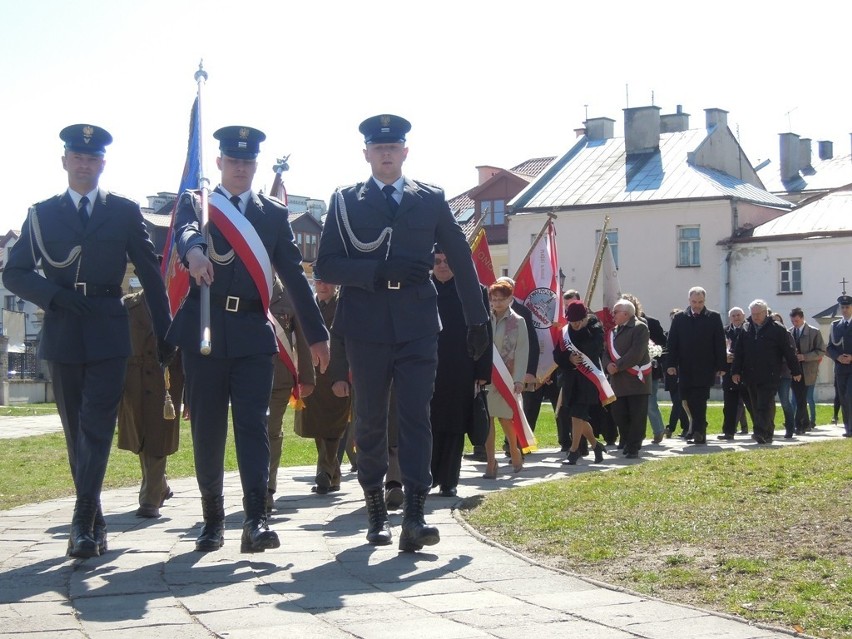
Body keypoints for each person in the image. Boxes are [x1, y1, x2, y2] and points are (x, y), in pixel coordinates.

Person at [315, 114, 489, 552]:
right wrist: (378, 271)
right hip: (367, 326)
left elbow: (460, 257)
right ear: (367, 154)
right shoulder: (344, 201)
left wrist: (476, 319)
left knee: (417, 417)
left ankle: (414, 514)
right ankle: (375, 506)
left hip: (417, 324)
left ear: (405, 152)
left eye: (394, 147)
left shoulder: (429, 198)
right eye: (379, 148)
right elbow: (327, 266)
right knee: (371, 420)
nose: (386, 154)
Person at [4, 124, 173, 558]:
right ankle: (94, 520)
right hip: (62, 330)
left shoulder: (122, 211)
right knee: (75, 431)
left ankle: (80, 525)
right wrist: (53, 295)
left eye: (92, 158)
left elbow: (151, 271)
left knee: (97, 427)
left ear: (102, 164)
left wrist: (166, 328)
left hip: (107, 330)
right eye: (76, 157)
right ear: (65, 162)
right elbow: (14, 272)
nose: (84, 163)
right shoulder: (41, 214)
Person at [167, 125, 330, 554]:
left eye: (247, 162)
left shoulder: (272, 214)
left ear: (255, 166)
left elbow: (294, 274)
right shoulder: (198, 204)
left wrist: (316, 335)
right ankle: (212, 520)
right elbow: (185, 231)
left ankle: (256, 519)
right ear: (220, 163)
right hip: (205, 330)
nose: (240, 168)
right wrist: (195, 250)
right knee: (207, 429)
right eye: (232, 160)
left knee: (254, 428)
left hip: (254, 333)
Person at [117, 288, 184, 519]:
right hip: (133, 380)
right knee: (142, 438)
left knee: (158, 437)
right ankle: (160, 486)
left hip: (165, 381)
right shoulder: (127, 305)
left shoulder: (178, 302)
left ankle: (149, 500)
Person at [430, 250, 492, 496]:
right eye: (437, 262)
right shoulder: (422, 288)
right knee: (429, 424)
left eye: (448, 261)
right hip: (427, 366)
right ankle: (428, 477)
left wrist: (482, 371)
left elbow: (484, 331)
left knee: (455, 425)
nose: (442, 266)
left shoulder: (474, 290)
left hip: (462, 366)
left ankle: (449, 481)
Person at [294, 271, 351, 494]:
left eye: (326, 281)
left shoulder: (344, 306)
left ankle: (324, 472)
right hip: (314, 376)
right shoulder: (310, 307)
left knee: (334, 425)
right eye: (318, 281)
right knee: (319, 425)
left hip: (338, 374)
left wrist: (346, 375)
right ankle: (332, 475)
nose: (322, 285)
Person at [266, 277, 316, 512]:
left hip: (279, 376)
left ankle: (267, 488)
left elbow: (303, 338)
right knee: (251, 432)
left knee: (271, 430)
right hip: (245, 375)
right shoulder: (245, 285)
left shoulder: (288, 293)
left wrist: (307, 376)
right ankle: (254, 485)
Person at [731, 300, 801, 444]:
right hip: (750, 374)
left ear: (765, 313)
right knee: (756, 405)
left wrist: (795, 370)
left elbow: (788, 351)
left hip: (770, 374)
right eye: (753, 314)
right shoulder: (746, 328)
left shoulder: (777, 329)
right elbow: (739, 352)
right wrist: (735, 371)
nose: (755, 317)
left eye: (758, 314)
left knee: (764, 403)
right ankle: (767, 433)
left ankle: (760, 432)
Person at [665, 286, 726, 445]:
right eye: (694, 301)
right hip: (685, 367)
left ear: (704, 301)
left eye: (700, 302)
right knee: (687, 400)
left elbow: (719, 342)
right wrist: (671, 364)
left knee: (700, 399)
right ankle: (696, 428)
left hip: (705, 367)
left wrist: (721, 365)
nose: (697, 305)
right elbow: (672, 343)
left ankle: (700, 432)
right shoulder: (680, 318)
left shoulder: (713, 317)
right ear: (689, 301)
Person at [484, 279, 529, 476]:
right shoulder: (485, 318)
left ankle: (514, 449)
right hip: (486, 377)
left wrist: (519, 378)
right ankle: (490, 462)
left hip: (507, 376)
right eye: (494, 299)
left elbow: (522, 350)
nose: (497, 303)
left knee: (505, 419)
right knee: (487, 420)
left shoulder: (518, 321)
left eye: (501, 299)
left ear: (510, 299)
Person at [552, 299, 606, 465]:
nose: (575, 325)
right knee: (578, 417)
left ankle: (574, 451)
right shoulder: (565, 332)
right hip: (570, 379)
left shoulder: (595, 329)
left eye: (578, 322)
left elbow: (595, 349)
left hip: (588, 378)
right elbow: (557, 354)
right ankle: (596, 445)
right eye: (572, 322)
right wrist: (568, 358)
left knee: (577, 415)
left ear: (585, 318)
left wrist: (580, 352)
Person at [604, 299, 652, 458]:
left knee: (637, 415)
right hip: (618, 382)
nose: (613, 315)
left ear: (626, 313)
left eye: (616, 312)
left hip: (636, 381)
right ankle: (627, 440)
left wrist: (617, 366)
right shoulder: (613, 331)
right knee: (619, 415)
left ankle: (633, 447)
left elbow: (636, 353)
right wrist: (608, 364)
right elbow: (605, 352)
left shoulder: (640, 328)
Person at [621, 293, 666, 444]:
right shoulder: (618, 327)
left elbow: (662, 344)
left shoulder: (650, 323)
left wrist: (652, 350)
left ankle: (658, 430)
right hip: (627, 372)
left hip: (649, 369)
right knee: (633, 406)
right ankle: (636, 435)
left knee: (650, 402)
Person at [789, 307, 826, 433]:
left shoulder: (814, 332)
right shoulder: (789, 332)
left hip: (808, 370)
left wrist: (805, 357)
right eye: (793, 321)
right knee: (799, 398)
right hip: (794, 371)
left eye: (797, 321)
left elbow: (821, 351)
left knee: (802, 397)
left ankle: (800, 424)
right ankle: (803, 424)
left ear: (803, 318)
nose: (795, 324)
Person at [719, 307, 748, 440]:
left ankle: (761, 429)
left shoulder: (748, 329)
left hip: (745, 371)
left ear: (743, 316)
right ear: (730, 318)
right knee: (729, 404)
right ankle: (728, 431)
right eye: (733, 316)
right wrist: (724, 356)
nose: (736, 318)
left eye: (738, 315)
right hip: (729, 372)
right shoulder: (725, 331)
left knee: (751, 402)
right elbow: (719, 348)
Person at [826, 294, 852, 438]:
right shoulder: (835, 326)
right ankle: (848, 428)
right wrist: (838, 357)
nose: (845, 310)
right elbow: (830, 347)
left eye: (847, 307)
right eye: (842, 307)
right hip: (841, 368)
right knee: (843, 398)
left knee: (850, 396)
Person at [663, 308, 690, 438]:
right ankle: (685, 427)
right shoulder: (668, 335)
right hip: (672, 374)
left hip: (683, 372)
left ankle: (671, 427)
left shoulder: (687, 334)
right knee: (678, 401)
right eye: (672, 317)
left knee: (679, 401)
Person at [771, 312, 798, 438]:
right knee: (768, 402)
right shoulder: (768, 335)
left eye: (778, 321)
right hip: (770, 373)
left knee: (785, 401)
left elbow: (791, 353)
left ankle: (790, 427)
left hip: (784, 373)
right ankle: (768, 427)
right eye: (773, 321)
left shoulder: (787, 334)